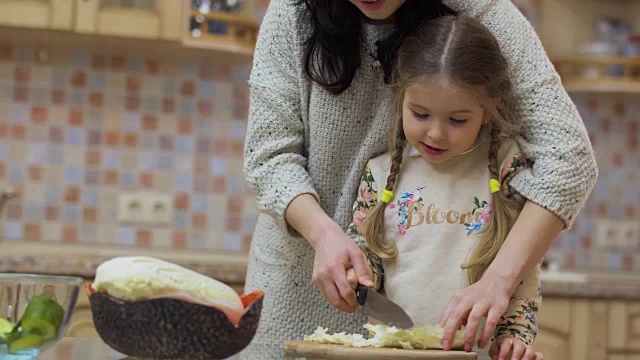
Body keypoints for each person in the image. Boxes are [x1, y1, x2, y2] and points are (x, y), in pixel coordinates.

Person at [242, 0, 597, 359]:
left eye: (457, 119)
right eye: (421, 113)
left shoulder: (482, 10)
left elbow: (568, 160)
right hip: (291, 292)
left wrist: (498, 283)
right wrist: (322, 233)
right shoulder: (292, 12)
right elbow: (269, 157)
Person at [346, 14, 542, 360]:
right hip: (396, 353)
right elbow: (366, 257)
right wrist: (352, 275)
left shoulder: (509, 166)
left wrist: (515, 335)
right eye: (420, 114)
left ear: (487, 110)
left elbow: (523, 266)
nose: (436, 133)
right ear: (401, 99)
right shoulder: (380, 174)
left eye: (457, 120)